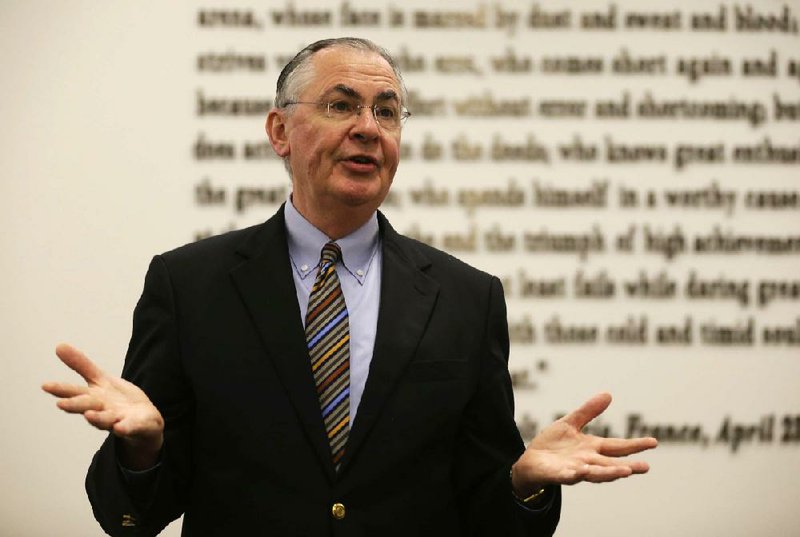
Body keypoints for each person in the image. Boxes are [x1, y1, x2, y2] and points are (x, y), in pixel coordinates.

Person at [43, 37, 657, 536]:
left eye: (386, 111)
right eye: (341, 106)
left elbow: (485, 513)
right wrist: (143, 451)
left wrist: (523, 484)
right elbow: (130, 517)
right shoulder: (189, 285)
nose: (369, 127)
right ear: (280, 131)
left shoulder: (467, 298)